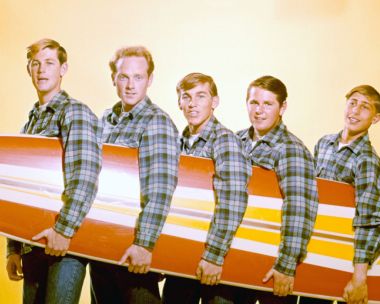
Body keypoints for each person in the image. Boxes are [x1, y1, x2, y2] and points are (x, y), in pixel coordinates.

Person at [6, 38, 102, 304]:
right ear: (28, 70)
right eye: (35, 64)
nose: (41, 70)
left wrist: (64, 230)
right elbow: (20, 190)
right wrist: (13, 248)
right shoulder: (29, 126)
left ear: (63, 69)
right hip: (32, 243)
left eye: (49, 63)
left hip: (65, 245)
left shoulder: (75, 113)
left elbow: (85, 176)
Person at [89, 46, 180, 303]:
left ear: (149, 80)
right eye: (124, 77)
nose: (130, 85)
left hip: (134, 248)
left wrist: (144, 244)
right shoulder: (106, 120)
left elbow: (160, 190)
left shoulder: (156, 122)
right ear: (113, 79)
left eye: (138, 77)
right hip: (102, 246)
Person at [162, 73, 251, 304]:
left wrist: (214, 256)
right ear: (179, 102)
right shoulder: (177, 142)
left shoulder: (225, 141)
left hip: (213, 260)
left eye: (201, 96)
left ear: (215, 102)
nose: (192, 103)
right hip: (181, 257)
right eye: (186, 97)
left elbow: (232, 201)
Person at [236, 75, 319, 304]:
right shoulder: (235, 140)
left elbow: (299, 208)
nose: (259, 111)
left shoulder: (291, 149)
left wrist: (286, 265)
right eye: (254, 103)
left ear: (282, 107)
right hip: (237, 258)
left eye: (268, 104)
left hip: (272, 265)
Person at [305, 85, 380, 304]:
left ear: (375, 119)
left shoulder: (367, 161)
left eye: (364, 107)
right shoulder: (324, 143)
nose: (355, 111)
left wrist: (359, 277)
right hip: (310, 246)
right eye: (353, 103)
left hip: (337, 255)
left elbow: (369, 218)